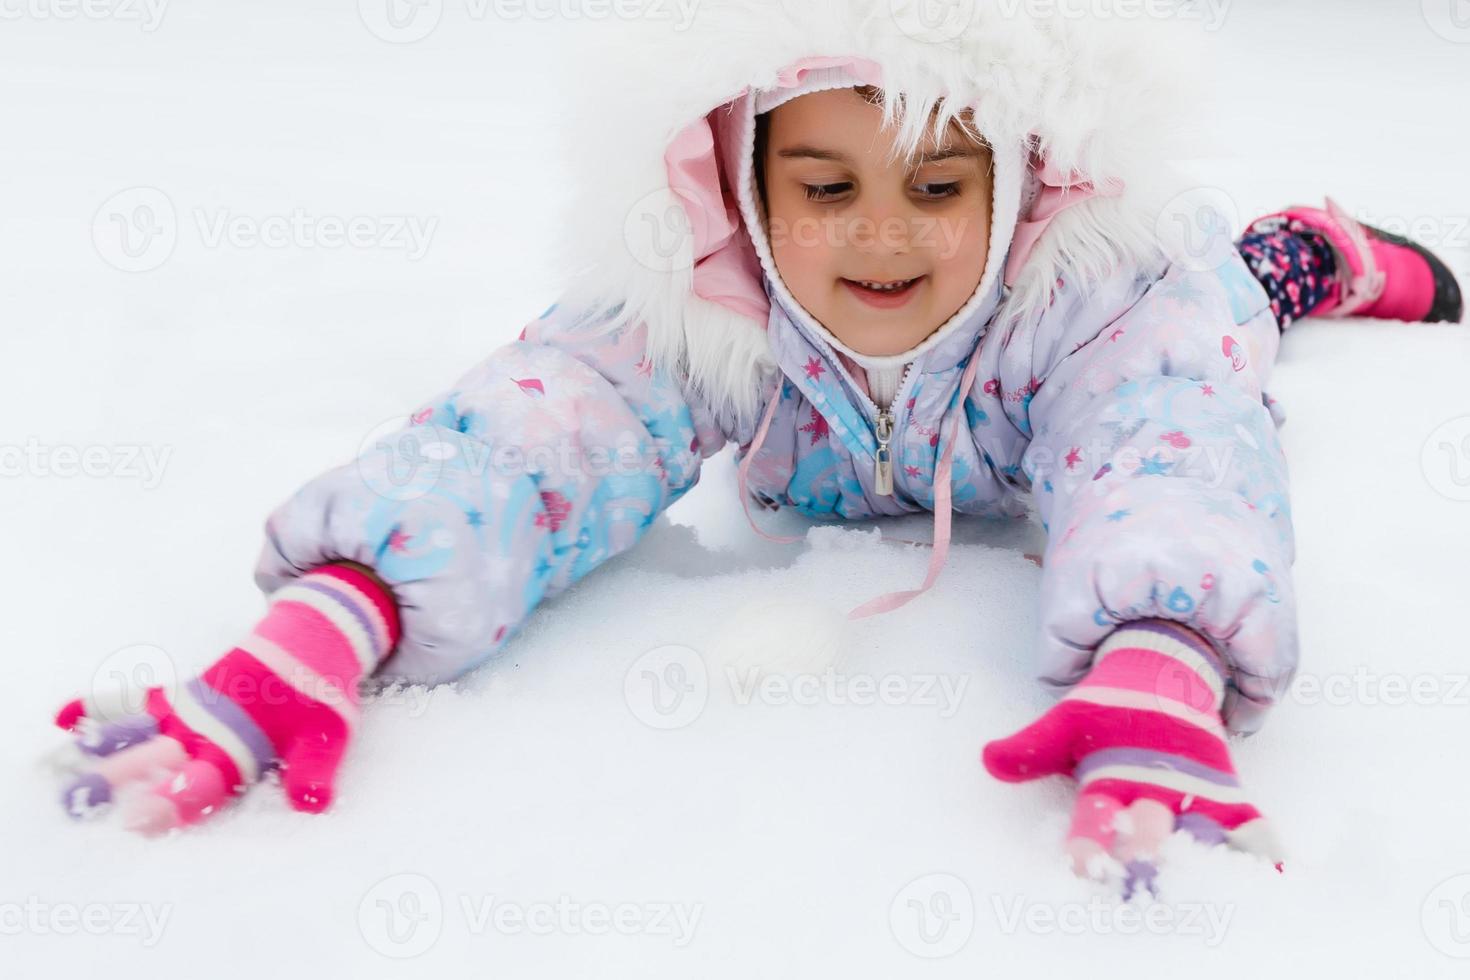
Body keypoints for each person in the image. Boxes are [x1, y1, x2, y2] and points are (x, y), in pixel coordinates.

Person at [50, 5, 1462, 896]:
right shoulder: (709, 307)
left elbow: (1174, 452)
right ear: (735, 185)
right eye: (825, 186)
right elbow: (542, 426)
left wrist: (1161, 657)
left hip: (1153, 327)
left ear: (1025, 184)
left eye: (936, 184)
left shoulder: (1101, 293)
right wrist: (337, 610)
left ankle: (1307, 255)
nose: (882, 234)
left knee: (1226, 305)